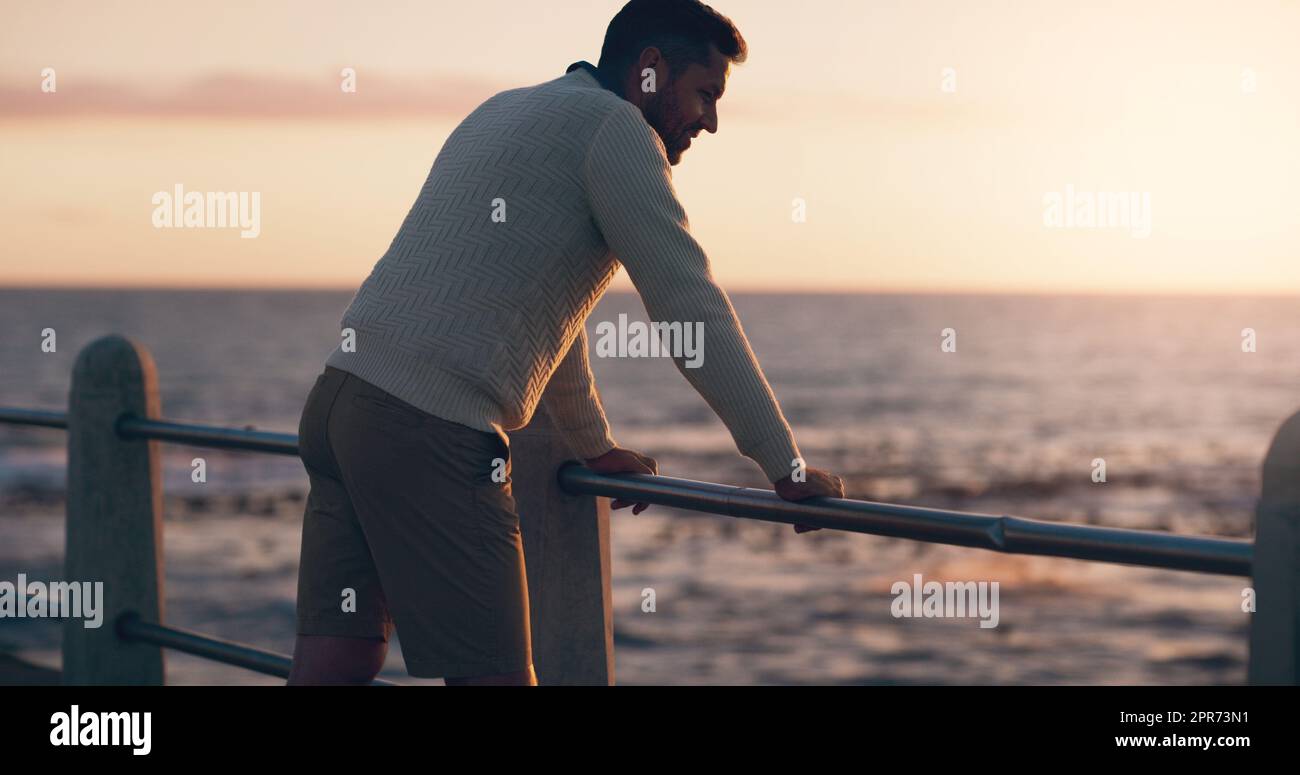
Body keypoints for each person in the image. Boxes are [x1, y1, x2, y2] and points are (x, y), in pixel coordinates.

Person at [288, 0, 845, 687]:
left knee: (335, 658)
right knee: (498, 676)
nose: (711, 120)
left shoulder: (509, 108)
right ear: (650, 70)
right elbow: (686, 305)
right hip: (426, 426)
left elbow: (546, 308)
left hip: (339, 404)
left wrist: (591, 443)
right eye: (705, 93)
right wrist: (783, 463)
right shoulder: (616, 131)